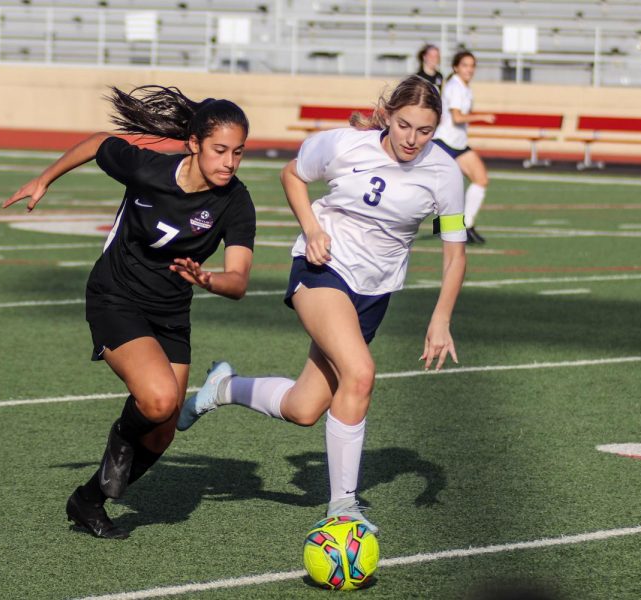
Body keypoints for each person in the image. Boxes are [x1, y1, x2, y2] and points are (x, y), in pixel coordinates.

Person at [177, 75, 467, 534]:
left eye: (426, 130)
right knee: (361, 372)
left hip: (375, 292)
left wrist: (441, 318)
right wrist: (312, 229)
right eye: (405, 125)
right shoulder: (345, 145)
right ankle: (343, 507)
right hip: (322, 270)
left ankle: (224, 387)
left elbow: (455, 253)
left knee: (304, 408)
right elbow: (291, 174)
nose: (413, 139)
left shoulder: (445, 173)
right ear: (387, 116)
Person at [2, 86, 256, 539]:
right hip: (115, 296)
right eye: (220, 150)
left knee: (162, 431)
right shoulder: (146, 168)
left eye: (238, 152)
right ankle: (121, 435)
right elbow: (100, 142)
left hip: (171, 312)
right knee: (158, 402)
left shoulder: (236, 201)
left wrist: (210, 279)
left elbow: (237, 280)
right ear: (194, 144)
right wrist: (46, 178)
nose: (230, 162)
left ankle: (88, 501)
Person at [434, 50, 495, 244]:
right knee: (435, 193)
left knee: (481, 179)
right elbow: (458, 117)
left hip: (457, 143)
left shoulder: (464, 87)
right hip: (444, 143)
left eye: (472, 66)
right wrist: (482, 117)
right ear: (456, 68)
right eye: (465, 65)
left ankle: (466, 225)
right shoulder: (455, 87)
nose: (469, 69)